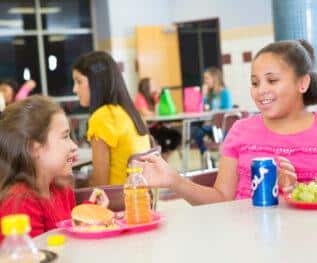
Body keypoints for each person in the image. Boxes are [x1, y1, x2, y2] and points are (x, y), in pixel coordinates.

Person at [137, 40, 317, 205]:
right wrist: (175, 180)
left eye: (272, 80)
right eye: (255, 82)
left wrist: (295, 192)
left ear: (302, 83)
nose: (261, 90)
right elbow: (221, 198)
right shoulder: (240, 131)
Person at [0, 96, 109, 239]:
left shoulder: (62, 187)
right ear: (34, 148)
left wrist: (91, 212)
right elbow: (33, 258)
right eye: (65, 137)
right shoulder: (20, 203)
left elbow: (70, 232)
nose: (74, 146)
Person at [72, 51, 151, 186]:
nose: (75, 89)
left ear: (97, 82)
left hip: (117, 201)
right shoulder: (130, 112)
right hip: (140, 198)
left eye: (79, 82)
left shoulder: (102, 117)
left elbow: (101, 184)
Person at [134, 78, 181, 160]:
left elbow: (162, 111)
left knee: (177, 136)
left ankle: (165, 158)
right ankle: (163, 160)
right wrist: (157, 110)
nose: (156, 86)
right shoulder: (140, 97)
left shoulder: (154, 97)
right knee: (161, 138)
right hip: (146, 129)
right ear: (146, 87)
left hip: (157, 127)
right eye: (153, 85)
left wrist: (159, 98)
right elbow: (146, 113)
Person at [192, 67, 233, 160]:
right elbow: (202, 109)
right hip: (212, 127)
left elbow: (225, 112)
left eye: (207, 78)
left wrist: (212, 120)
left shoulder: (224, 93)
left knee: (197, 130)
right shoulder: (210, 94)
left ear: (215, 78)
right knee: (195, 131)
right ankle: (207, 157)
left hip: (222, 128)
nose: (205, 81)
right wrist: (204, 95)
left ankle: (209, 158)